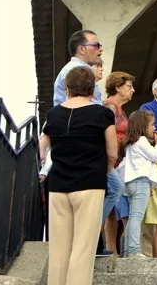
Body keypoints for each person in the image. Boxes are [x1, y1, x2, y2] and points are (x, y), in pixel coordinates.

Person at [43, 66, 117, 285]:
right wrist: (105, 169)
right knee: (83, 248)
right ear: (92, 89)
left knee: (59, 248)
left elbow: (42, 144)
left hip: (58, 186)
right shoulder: (102, 114)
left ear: (67, 89)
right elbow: (112, 151)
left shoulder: (53, 114)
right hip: (90, 184)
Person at [121, 110, 157, 257]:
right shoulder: (142, 141)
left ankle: (127, 251)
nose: (154, 128)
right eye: (152, 125)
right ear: (143, 126)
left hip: (133, 182)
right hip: (140, 181)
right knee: (136, 217)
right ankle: (133, 251)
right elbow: (156, 157)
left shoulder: (131, 143)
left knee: (133, 216)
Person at [101, 71, 134, 255]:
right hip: (111, 162)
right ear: (117, 87)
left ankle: (110, 250)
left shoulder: (119, 109)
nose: (132, 90)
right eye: (129, 87)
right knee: (114, 196)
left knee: (113, 209)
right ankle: (105, 244)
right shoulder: (110, 107)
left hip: (117, 161)